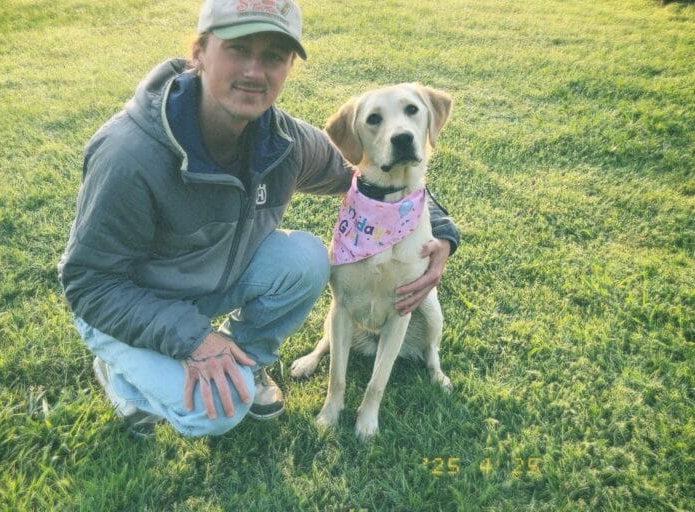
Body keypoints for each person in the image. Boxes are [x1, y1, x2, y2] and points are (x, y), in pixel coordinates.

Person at [58, 0, 460, 437]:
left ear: (288, 67)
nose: (255, 70)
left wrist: (442, 233)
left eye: (272, 55)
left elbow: (373, 176)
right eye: (237, 48)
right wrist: (194, 339)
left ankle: (245, 358)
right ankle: (118, 369)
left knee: (307, 258)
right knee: (218, 412)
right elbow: (89, 283)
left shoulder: (283, 140)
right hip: (131, 302)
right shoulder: (128, 155)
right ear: (199, 52)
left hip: (203, 286)